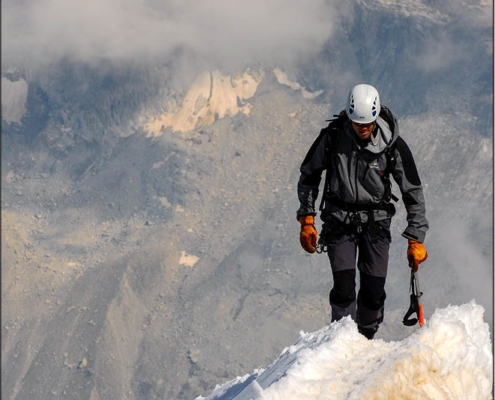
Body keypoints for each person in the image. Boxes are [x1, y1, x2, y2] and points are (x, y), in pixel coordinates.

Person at [296, 84, 428, 339]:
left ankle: (366, 339)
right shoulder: (333, 137)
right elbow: (309, 174)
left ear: (376, 118)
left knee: (373, 289)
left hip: (376, 223)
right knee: (344, 287)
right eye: (358, 124)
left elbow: (413, 191)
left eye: (367, 124)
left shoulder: (393, 145)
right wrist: (307, 219)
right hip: (338, 220)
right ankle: (342, 341)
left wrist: (416, 238)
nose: (363, 129)